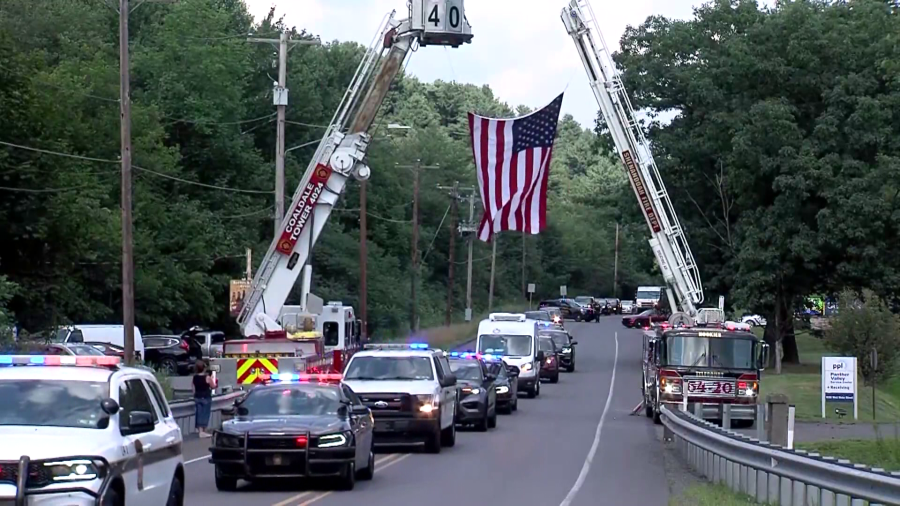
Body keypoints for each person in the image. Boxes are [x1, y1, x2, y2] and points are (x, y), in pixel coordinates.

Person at [192, 360, 216, 438]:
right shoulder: (207, 378)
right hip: (206, 397)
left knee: (199, 413)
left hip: (197, 397)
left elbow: (193, 389)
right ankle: (203, 431)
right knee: (205, 413)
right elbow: (213, 386)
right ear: (204, 368)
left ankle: (200, 430)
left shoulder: (194, 377)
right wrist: (213, 379)